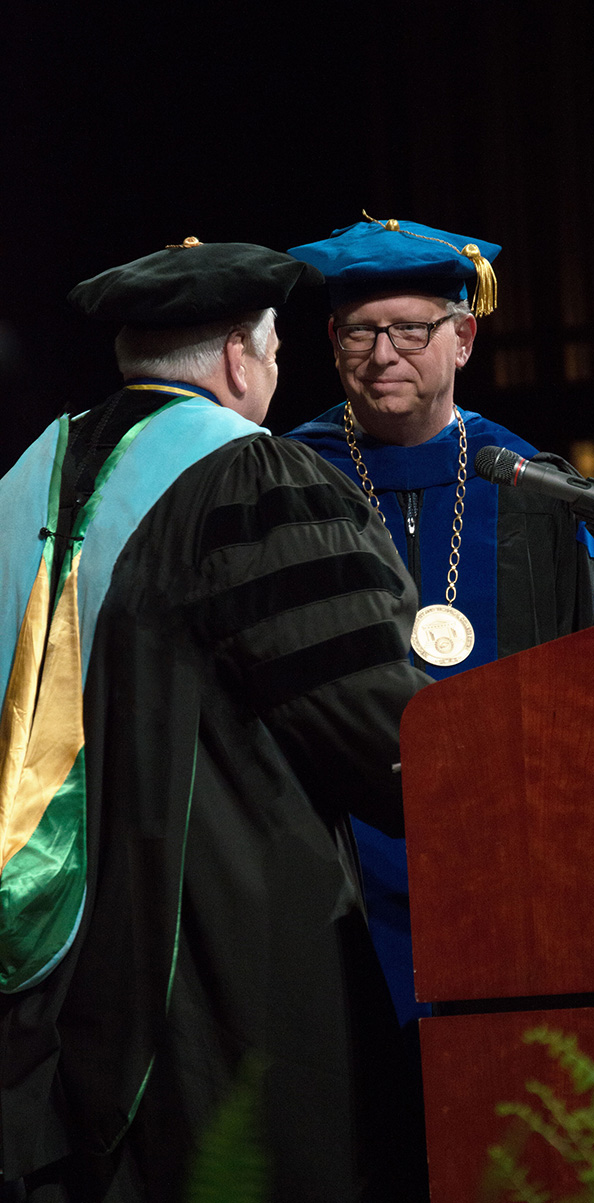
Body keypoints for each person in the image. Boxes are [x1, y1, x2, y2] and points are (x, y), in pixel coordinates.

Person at [0, 237, 431, 1202]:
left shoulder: (25, 481)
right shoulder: (253, 480)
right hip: (211, 980)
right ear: (241, 354)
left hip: (39, 999)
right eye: (276, 351)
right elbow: (379, 735)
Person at [285, 214, 594, 1032]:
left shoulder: (538, 491)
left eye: (410, 330)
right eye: (358, 333)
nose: (383, 356)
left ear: (464, 338)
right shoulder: (287, 485)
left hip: (511, 848)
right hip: (337, 857)